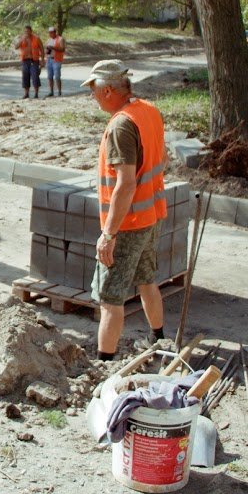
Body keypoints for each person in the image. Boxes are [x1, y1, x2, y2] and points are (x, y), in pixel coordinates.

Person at [82, 59, 169, 361]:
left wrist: (109, 234)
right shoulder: (148, 111)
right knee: (147, 279)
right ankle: (159, 340)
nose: (92, 97)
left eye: (93, 91)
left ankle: (104, 362)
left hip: (128, 224)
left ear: (107, 90)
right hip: (152, 216)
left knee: (109, 297)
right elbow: (161, 161)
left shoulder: (121, 125)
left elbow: (125, 184)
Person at [13, 25, 44, 99]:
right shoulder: (22, 39)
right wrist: (21, 40)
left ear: (31, 31)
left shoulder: (36, 38)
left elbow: (42, 49)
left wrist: (42, 60)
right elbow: (16, 47)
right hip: (25, 60)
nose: (26, 32)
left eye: (28, 31)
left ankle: (36, 93)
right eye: (25, 31)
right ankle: (26, 93)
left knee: (35, 77)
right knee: (25, 77)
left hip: (34, 60)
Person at [44, 26, 66, 97]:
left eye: (52, 32)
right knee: (50, 77)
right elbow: (45, 50)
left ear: (55, 32)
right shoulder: (48, 40)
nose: (50, 34)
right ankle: (51, 91)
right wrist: (47, 51)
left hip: (57, 60)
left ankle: (59, 91)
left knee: (57, 76)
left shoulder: (60, 39)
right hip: (49, 59)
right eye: (49, 33)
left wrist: (53, 48)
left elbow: (62, 49)